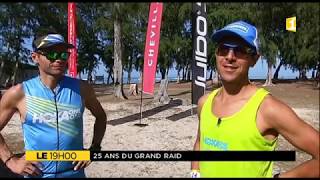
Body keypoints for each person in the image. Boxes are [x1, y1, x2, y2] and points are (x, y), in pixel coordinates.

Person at [191, 20, 319, 178]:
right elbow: (200, 142)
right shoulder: (204, 103)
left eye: (240, 51)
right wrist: (195, 172)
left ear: (254, 59)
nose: (230, 57)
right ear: (216, 54)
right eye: (223, 49)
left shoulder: (267, 109)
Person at [0, 29, 107, 178]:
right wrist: (11, 161)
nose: (59, 59)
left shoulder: (82, 88)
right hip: (37, 174)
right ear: (35, 57)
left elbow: (101, 116)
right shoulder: (18, 93)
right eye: (51, 54)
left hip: (74, 173)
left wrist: (94, 149)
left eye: (64, 54)